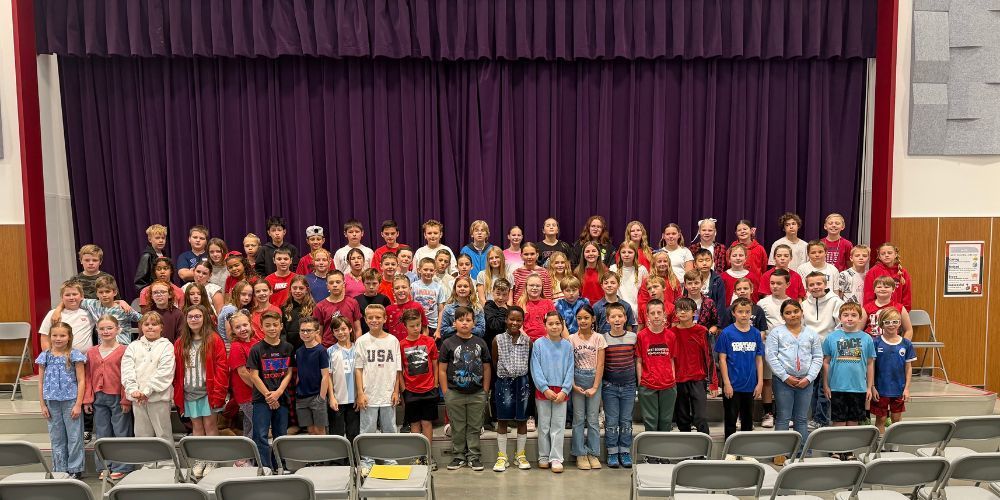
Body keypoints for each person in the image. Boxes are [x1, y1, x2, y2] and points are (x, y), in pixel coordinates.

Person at [173, 305, 229, 479]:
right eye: (190, 316)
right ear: (186, 319)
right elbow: (176, 370)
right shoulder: (181, 342)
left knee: (211, 427)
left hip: (208, 392)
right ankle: (200, 459)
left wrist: (219, 392)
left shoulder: (213, 339)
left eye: (198, 316)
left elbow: (221, 368)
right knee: (196, 428)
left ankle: (212, 459)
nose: (194, 319)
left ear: (204, 318)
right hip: (189, 392)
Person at [766, 300, 823, 465]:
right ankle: (780, 453)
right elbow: (771, 356)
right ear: (782, 316)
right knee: (783, 417)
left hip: (806, 381)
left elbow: (818, 357)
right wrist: (785, 376)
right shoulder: (776, 333)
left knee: (801, 418)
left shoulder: (811, 334)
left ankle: (802, 452)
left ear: (802, 312)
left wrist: (809, 377)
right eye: (788, 313)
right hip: (784, 381)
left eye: (796, 311)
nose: (793, 315)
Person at [439, 306, 492, 472]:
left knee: (475, 426)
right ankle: (458, 455)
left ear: (474, 323)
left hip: (477, 393)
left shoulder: (480, 342)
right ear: (454, 323)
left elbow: (486, 368)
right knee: (458, 426)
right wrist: (446, 392)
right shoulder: (448, 343)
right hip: (454, 393)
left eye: (468, 320)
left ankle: (474, 456)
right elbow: (441, 369)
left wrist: (484, 390)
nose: (464, 323)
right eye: (461, 320)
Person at [354, 304, 403, 473]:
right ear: (365, 320)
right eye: (370, 318)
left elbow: (398, 369)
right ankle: (367, 461)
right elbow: (358, 369)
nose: (374, 320)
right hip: (369, 394)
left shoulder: (393, 341)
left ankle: (390, 459)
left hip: (388, 393)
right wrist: (360, 393)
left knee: (390, 428)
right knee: (367, 430)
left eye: (377, 317)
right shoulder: (361, 341)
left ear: (385, 319)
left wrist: (396, 391)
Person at [36, 322, 87, 480]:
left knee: (74, 436)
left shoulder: (74, 355)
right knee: (56, 437)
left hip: (70, 401)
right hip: (51, 402)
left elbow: (81, 380)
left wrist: (78, 404)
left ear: (69, 337)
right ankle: (60, 468)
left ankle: (75, 468)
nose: (58, 338)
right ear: (50, 337)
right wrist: (42, 404)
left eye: (62, 335)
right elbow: (40, 381)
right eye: (55, 335)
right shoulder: (45, 356)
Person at [83, 316, 132, 479]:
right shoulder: (91, 352)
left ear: (118, 329)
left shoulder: (125, 350)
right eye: (102, 328)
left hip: (118, 397)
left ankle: (123, 466)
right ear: (97, 330)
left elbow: (127, 376)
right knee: (102, 433)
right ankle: (104, 465)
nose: (106, 331)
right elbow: (88, 376)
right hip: (98, 398)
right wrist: (88, 398)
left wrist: (126, 399)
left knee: (121, 431)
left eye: (110, 328)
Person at [247, 311, 295, 471]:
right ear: (261, 327)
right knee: (260, 435)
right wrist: (269, 396)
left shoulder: (288, 347)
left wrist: (279, 392)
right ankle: (265, 467)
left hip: (281, 398)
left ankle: (280, 466)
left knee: (280, 435)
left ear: (281, 326)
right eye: (267, 325)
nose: (272, 328)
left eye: (275, 325)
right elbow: (253, 375)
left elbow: (289, 372)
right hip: (262, 399)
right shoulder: (256, 349)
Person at [823, 303, 876, 436]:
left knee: (853, 422)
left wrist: (869, 387)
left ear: (860, 318)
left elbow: (870, 364)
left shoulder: (867, 338)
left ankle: (849, 450)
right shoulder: (831, 338)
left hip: (858, 388)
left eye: (854, 315)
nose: (849, 318)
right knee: (839, 422)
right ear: (840, 318)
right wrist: (826, 385)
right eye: (845, 315)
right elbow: (826, 362)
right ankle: (837, 450)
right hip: (837, 387)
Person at [530, 312, 574, 473]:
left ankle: (556, 458)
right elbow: (535, 368)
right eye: (551, 323)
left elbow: (570, 369)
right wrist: (544, 388)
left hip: (561, 391)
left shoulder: (568, 345)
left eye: (557, 323)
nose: (554, 326)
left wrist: (565, 390)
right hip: (544, 391)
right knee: (544, 425)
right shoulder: (539, 344)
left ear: (562, 325)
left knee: (558, 425)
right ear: (545, 325)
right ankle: (543, 456)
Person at [121, 312, 176, 441]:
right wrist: (133, 390)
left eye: (154, 324)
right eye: (146, 324)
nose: (150, 327)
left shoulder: (167, 346)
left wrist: (147, 392)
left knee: (163, 434)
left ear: (161, 327)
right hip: (138, 398)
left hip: (159, 398)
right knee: (142, 435)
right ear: (141, 327)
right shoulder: (133, 346)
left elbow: (165, 372)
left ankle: (166, 461)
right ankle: (147, 461)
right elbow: (127, 369)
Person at [715, 298, 764, 440]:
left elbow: (759, 360)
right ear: (733, 313)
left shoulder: (755, 333)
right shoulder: (726, 333)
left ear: (751, 313)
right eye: (740, 312)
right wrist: (727, 383)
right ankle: (730, 452)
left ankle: (745, 451)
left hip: (750, 385)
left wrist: (760, 382)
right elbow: (722, 360)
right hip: (733, 385)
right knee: (730, 420)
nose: (744, 315)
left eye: (747, 312)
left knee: (748, 421)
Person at [490, 307, 532, 472]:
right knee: (502, 419)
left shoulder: (528, 341)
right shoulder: (497, 340)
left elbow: (529, 363)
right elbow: (495, 363)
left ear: (522, 321)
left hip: (522, 382)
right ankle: (502, 456)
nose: (515, 323)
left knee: (522, 420)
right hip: (503, 382)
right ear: (506, 320)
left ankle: (520, 454)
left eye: (518, 320)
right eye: (511, 319)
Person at [802, 271, 845, 429]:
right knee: (812, 386)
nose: (815, 287)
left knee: (824, 387)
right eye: (811, 285)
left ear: (825, 284)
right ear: (807, 287)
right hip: (810, 351)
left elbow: (841, 325)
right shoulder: (804, 304)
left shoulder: (835, 302)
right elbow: (802, 327)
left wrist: (831, 345)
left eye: (818, 283)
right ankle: (815, 417)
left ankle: (822, 419)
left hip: (829, 350)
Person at [671, 298, 718, 435]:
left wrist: (713, 383)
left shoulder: (701, 331)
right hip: (678, 381)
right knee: (682, 418)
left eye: (686, 309)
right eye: (679, 309)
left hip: (698, 379)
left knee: (701, 418)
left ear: (694, 313)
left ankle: (704, 453)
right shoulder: (671, 333)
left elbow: (709, 358)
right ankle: (687, 450)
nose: (682, 312)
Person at [399, 310, 439, 469]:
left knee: (427, 423)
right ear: (405, 327)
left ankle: (428, 456)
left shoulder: (429, 341)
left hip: (429, 389)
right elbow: (400, 369)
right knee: (414, 425)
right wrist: (403, 389)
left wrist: (435, 383)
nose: (416, 328)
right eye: (412, 326)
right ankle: (417, 456)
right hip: (411, 390)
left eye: (418, 325)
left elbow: (435, 363)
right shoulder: (401, 344)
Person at [569, 305, 606, 470]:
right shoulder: (571, 339)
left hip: (593, 380)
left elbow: (600, 364)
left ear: (593, 319)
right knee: (578, 419)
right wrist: (573, 385)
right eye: (579, 318)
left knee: (592, 419)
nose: (582, 321)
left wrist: (595, 386)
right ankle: (580, 453)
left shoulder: (599, 338)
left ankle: (592, 452)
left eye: (586, 318)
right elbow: (568, 364)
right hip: (577, 379)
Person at [601, 303, 637, 469]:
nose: (617, 319)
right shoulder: (604, 339)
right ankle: (612, 451)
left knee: (626, 420)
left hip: (629, 386)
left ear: (625, 318)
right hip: (610, 387)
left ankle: (624, 451)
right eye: (613, 316)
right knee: (612, 420)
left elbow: (637, 360)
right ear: (608, 319)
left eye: (620, 316)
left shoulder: (633, 337)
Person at [635, 300, 678, 436]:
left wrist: (673, 379)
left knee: (666, 421)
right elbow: (639, 361)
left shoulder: (671, 335)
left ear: (664, 314)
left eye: (659, 312)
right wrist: (640, 382)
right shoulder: (641, 336)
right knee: (650, 421)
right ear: (647, 315)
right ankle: (650, 455)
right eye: (652, 313)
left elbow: (671, 359)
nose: (656, 316)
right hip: (648, 385)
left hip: (668, 385)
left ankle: (663, 454)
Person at [59, 275, 140, 345]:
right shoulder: (92, 304)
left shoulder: (124, 308)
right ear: (97, 293)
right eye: (101, 292)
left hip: (122, 347)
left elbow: (142, 319)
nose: (104, 295)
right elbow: (73, 300)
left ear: (115, 292)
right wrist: (58, 310)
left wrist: (139, 340)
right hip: (103, 349)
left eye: (107, 291)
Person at [871, 308, 915, 433]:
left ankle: (894, 445)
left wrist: (906, 388)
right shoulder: (876, 342)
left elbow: (908, 367)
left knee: (896, 418)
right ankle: (880, 446)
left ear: (900, 323)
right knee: (881, 419)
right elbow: (871, 367)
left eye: (895, 321)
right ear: (881, 324)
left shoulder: (906, 344)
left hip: (899, 389)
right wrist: (872, 386)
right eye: (887, 322)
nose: (891, 325)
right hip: (881, 389)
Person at [295, 318, 334, 435]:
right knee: (310, 431)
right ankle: (314, 454)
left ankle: (324, 453)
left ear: (317, 332)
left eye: (309, 330)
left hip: (317, 396)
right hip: (302, 397)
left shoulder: (321, 351)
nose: (305, 333)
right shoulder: (299, 351)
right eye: (303, 330)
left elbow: (325, 376)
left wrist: (321, 397)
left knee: (320, 430)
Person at [327, 317, 360, 444]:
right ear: (333, 333)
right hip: (338, 399)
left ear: (350, 329)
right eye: (337, 330)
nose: (341, 332)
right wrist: (332, 397)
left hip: (355, 399)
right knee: (337, 433)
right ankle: (339, 461)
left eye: (343, 329)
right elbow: (328, 376)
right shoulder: (330, 351)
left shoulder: (357, 349)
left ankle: (355, 460)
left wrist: (360, 395)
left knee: (354, 433)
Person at [40, 281, 94, 352]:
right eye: (67, 295)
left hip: (85, 359)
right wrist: (50, 358)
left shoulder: (90, 313)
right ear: (62, 298)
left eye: (75, 294)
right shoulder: (53, 314)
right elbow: (45, 338)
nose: (71, 297)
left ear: (82, 296)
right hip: (60, 359)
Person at [227, 311, 256, 442]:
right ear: (233, 330)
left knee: (250, 425)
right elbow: (243, 373)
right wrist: (261, 389)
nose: (242, 329)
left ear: (250, 325)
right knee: (259, 424)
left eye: (245, 325)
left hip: (256, 393)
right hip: (247, 394)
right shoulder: (236, 346)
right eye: (238, 327)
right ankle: (245, 457)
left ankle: (247, 458)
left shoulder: (256, 342)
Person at [313, 271, 363, 346]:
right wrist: (323, 350)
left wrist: (356, 346)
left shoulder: (353, 303)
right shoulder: (320, 306)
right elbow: (317, 333)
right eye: (331, 283)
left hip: (350, 348)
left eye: (338, 282)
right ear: (327, 285)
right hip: (328, 348)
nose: (335, 285)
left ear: (343, 284)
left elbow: (358, 329)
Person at [863, 242, 913, 310]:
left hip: (897, 313)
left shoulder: (902, 272)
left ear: (895, 254)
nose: (886, 255)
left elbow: (907, 296)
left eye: (889, 253)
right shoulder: (872, 272)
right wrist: (872, 312)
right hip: (877, 313)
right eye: (883, 254)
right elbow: (868, 296)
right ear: (879, 257)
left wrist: (903, 311)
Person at [439, 276, 486, 340]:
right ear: (455, 288)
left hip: (472, 343)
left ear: (470, 289)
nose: (462, 288)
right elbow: (443, 332)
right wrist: (455, 328)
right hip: (453, 343)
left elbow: (481, 332)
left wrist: (465, 327)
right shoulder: (448, 308)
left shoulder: (477, 308)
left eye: (465, 286)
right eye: (459, 286)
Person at [411, 258, 448, 339]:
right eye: (425, 269)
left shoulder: (439, 287)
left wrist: (438, 330)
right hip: (416, 324)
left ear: (434, 271)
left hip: (433, 326)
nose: (428, 272)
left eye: (431, 270)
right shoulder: (413, 286)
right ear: (419, 270)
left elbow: (441, 310)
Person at [610, 241, 649, 315]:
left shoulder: (642, 270)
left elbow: (645, 292)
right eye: (623, 252)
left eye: (630, 252)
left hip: (636, 312)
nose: (626, 255)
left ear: (635, 254)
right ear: (619, 254)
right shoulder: (613, 269)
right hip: (618, 312)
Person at [386, 276, 429, 340]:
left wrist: (423, 343)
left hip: (413, 347)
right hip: (395, 346)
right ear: (393, 290)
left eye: (404, 287)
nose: (400, 290)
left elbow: (425, 329)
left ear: (410, 289)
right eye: (397, 288)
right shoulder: (388, 309)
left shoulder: (417, 306)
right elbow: (386, 331)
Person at [282, 275, 317, 350]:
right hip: (289, 348)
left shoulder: (313, 308)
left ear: (306, 290)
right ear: (290, 289)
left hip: (309, 347)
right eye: (294, 288)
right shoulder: (284, 308)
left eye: (301, 288)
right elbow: (282, 332)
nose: (297, 291)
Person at [519, 274, 557, 341]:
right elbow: (519, 328)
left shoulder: (548, 303)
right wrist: (528, 341)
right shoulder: (521, 304)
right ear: (526, 286)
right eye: (531, 285)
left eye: (538, 286)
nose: (534, 288)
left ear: (542, 287)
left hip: (546, 341)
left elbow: (554, 323)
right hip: (527, 341)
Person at [681, 270, 719, 336]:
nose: (693, 286)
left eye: (696, 283)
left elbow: (716, 324)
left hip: (703, 338)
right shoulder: (679, 302)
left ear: (702, 284)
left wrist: (710, 331)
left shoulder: (709, 303)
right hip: (683, 337)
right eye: (690, 283)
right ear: (685, 285)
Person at [357, 268, 392, 335]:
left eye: (374, 283)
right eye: (368, 283)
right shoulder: (357, 300)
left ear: (379, 283)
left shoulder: (384, 299)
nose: (371, 287)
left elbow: (387, 322)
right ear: (363, 283)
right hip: (364, 336)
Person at [134, 224, 168, 292]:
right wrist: (150, 293)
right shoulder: (147, 256)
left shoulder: (164, 255)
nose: (161, 240)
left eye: (163, 238)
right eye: (157, 238)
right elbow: (139, 282)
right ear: (150, 239)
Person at [483, 279, 512, 347]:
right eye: (498, 294)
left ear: (508, 295)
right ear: (492, 292)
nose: (500, 298)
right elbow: (495, 326)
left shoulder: (510, 309)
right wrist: (503, 309)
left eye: (504, 294)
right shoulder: (489, 306)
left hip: (506, 345)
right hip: (491, 344)